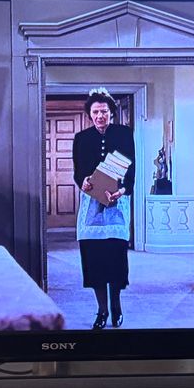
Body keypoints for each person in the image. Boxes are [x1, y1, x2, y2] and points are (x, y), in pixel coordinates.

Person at [72, 88, 136, 329]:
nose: (100, 116)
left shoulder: (124, 134)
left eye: (104, 112)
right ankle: (102, 310)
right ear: (90, 114)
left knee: (115, 257)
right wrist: (83, 182)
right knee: (94, 258)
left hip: (117, 201)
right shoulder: (81, 138)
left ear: (111, 113)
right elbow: (78, 172)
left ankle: (116, 307)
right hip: (91, 204)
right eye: (96, 112)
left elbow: (131, 167)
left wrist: (124, 189)